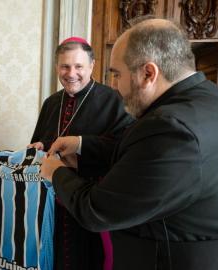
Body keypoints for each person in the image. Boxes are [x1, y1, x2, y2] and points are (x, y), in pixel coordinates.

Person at [40, 18, 218, 270]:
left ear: (148, 73)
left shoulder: (171, 127)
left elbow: (96, 210)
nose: (115, 85)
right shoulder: (213, 98)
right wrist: (81, 147)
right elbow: (141, 160)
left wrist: (56, 172)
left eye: (117, 74)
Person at [29, 37, 133, 269]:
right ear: (57, 67)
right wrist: (37, 148)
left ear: (92, 66)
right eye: (65, 66)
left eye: (78, 66)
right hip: (52, 207)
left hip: (89, 204)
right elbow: (41, 142)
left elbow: (124, 149)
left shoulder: (113, 99)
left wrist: (81, 144)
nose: (71, 73)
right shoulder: (51, 103)